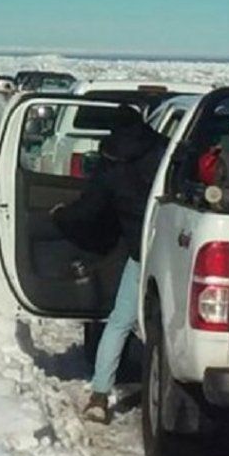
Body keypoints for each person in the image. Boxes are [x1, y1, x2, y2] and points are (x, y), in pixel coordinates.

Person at [50, 108, 168, 424]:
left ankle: (100, 397)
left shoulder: (112, 165)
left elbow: (89, 209)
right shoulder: (167, 149)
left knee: (118, 323)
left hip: (141, 255)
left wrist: (60, 216)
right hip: (174, 255)